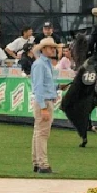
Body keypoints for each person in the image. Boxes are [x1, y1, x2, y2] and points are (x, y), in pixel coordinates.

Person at [30, 37, 59, 174]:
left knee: (39, 132)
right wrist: (42, 107)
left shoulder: (45, 64)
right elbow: (38, 87)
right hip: (44, 101)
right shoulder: (40, 64)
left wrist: (57, 88)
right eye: (50, 48)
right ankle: (43, 163)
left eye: (53, 48)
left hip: (46, 99)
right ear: (43, 49)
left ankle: (37, 162)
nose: (53, 50)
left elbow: (44, 85)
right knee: (42, 133)